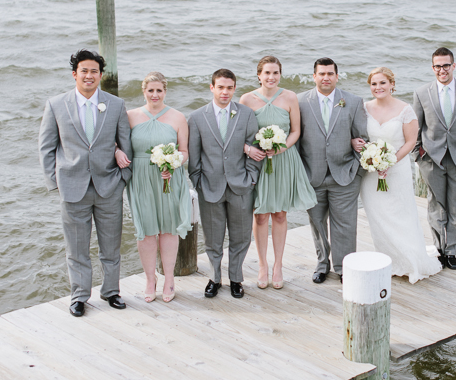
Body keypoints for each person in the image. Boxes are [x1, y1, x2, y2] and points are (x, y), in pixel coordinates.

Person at [38, 49, 132, 317]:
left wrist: (123, 178)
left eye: (94, 71)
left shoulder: (115, 104)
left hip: (109, 187)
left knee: (111, 245)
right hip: (72, 187)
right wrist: (55, 182)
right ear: (74, 75)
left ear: (101, 75)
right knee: (77, 248)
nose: (89, 75)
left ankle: (111, 291)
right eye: (84, 71)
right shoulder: (57, 104)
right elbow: (46, 147)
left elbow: (125, 143)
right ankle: (79, 296)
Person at [115, 72, 192, 303]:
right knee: (146, 230)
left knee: (168, 228)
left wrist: (174, 162)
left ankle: (169, 278)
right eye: (151, 90)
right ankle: (150, 279)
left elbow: (185, 151)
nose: (155, 94)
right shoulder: (130, 116)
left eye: (159, 90)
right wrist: (117, 152)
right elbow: (115, 143)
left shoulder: (177, 117)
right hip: (140, 178)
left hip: (169, 177)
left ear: (165, 91)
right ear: (144, 91)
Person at [240, 56, 316, 289]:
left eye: (275, 73)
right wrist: (249, 149)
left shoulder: (290, 97)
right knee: (261, 214)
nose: (271, 77)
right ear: (259, 75)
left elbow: (296, 131)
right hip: (259, 161)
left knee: (280, 214)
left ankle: (278, 266)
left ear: (280, 75)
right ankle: (262, 265)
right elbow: (238, 134)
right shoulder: (246, 99)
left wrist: (282, 147)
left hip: (284, 159)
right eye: (267, 73)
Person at [360, 67, 442, 283]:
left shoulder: (405, 110)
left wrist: (389, 161)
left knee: (400, 214)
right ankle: (388, 259)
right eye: (374, 84)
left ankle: (410, 260)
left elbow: (411, 142)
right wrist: (369, 157)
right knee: (378, 217)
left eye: (382, 83)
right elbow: (358, 136)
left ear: (392, 85)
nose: (378, 87)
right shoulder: (364, 108)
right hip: (371, 173)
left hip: (396, 171)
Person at [188, 69, 260, 299]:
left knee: (241, 236)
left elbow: (254, 149)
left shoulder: (246, 114)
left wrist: (251, 178)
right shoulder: (197, 117)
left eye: (229, 87)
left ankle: (236, 278)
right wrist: (198, 182)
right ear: (212, 88)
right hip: (209, 186)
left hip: (241, 185)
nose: (225, 92)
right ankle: (215, 278)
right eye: (220, 87)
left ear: (234, 88)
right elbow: (194, 155)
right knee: (213, 237)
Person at [297, 58, 368, 283]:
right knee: (317, 223)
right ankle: (322, 264)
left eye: (330, 73)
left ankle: (344, 267)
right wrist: (300, 175)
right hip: (312, 174)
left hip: (345, 173)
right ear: (314, 76)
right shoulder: (300, 102)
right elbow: (296, 141)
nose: (326, 77)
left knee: (345, 224)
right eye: (321, 74)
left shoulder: (353, 101)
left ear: (337, 76)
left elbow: (362, 137)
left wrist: (357, 171)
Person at [413, 47, 456, 270]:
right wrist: (418, 155)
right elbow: (416, 127)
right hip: (432, 159)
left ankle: (453, 251)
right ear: (432, 67)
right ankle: (439, 249)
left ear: (453, 66)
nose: (442, 70)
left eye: (446, 65)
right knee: (435, 206)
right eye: (437, 66)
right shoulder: (422, 93)